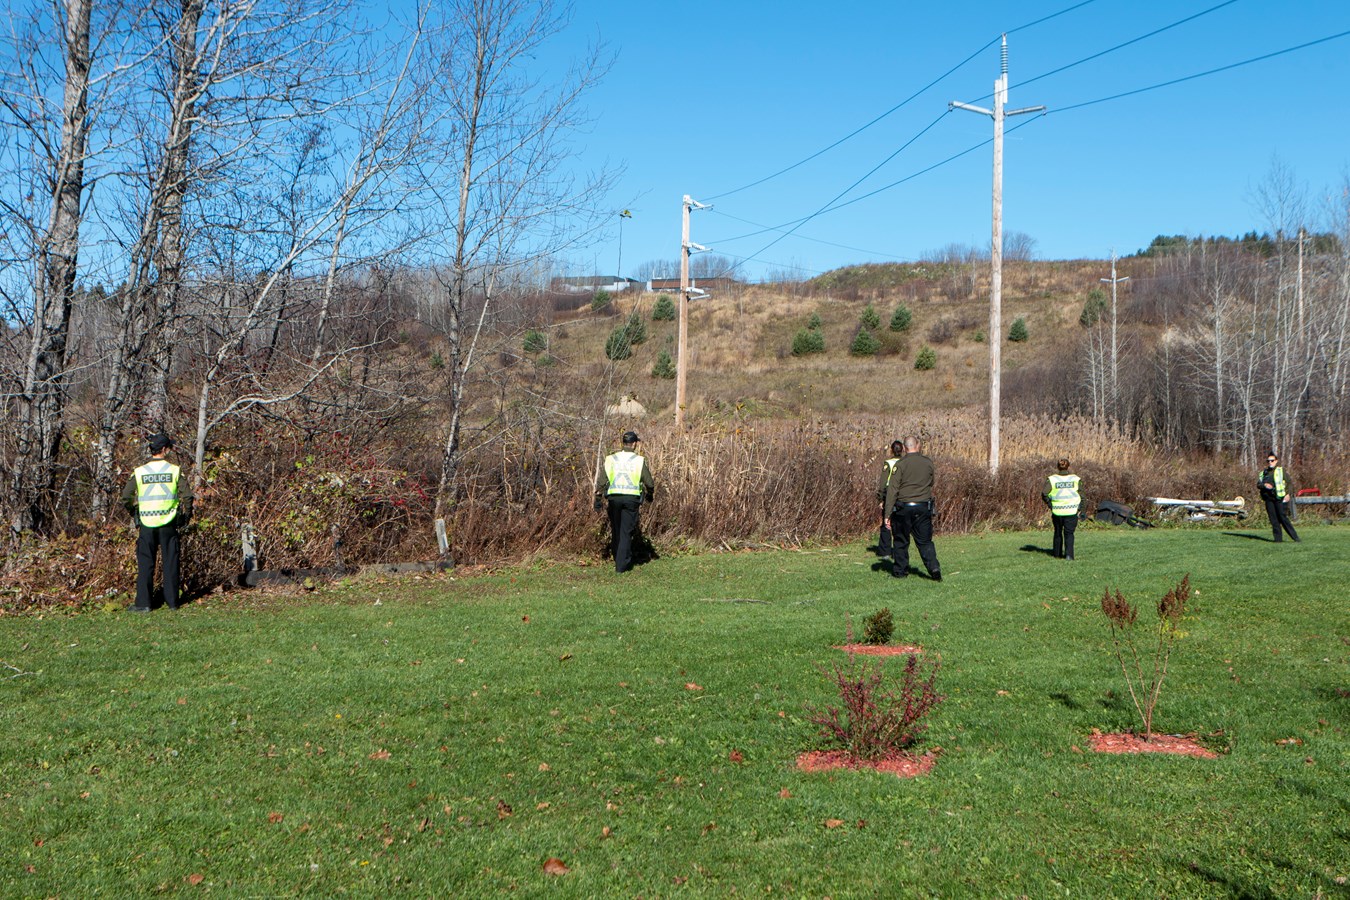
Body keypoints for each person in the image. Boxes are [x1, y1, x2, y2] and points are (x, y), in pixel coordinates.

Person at [121, 433, 193, 611]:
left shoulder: (140, 472)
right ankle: (173, 602)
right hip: (168, 522)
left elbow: (125, 496)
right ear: (164, 449)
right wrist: (186, 516)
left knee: (146, 563)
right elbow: (187, 496)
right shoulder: (174, 470)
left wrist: (134, 512)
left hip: (146, 523)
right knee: (170, 562)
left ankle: (144, 603)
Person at [594, 431, 655, 573]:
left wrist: (597, 499)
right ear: (634, 444)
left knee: (616, 529)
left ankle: (618, 557)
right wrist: (650, 495)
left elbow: (601, 481)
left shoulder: (611, 459)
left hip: (614, 498)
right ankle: (622, 565)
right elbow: (649, 483)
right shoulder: (639, 460)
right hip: (631, 499)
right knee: (626, 531)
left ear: (623, 443)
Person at [883, 435, 941, 581]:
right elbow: (931, 482)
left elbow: (892, 490)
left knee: (901, 541)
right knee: (925, 541)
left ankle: (900, 572)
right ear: (918, 445)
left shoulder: (900, 464)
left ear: (904, 448)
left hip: (903, 508)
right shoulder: (927, 463)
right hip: (923, 506)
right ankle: (934, 568)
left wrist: (887, 514)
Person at [1043, 457, 1082, 560]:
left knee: (1058, 532)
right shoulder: (1075, 479)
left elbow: (1044, 493)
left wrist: (1050, 504)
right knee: (1069, 534)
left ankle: (1057, 554)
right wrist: (1082, 509)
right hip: (1071, 511)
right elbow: (1082, 496)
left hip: (1057, 511)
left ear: (1057, 467)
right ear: (1068, 466)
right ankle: (1069, 555)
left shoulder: (1052, 479)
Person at [1258, 451, 1300, 543]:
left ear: (1276, 461)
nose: (1270, 462)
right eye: (1268, 461)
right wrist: (1264, 485)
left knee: (1282, 517)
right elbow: (1259, 484)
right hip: (1268, 498)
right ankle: (1278, 539)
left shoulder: (1281, 471)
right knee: (1273, 519)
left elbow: (1289, 483)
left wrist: (1288, 494)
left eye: (1272, 460)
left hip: (1279, 498)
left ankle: (1295, 537)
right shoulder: (1264, 473)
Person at [875, 440, 904, 558]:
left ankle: (885, 550)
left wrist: (880, 498)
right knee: (900, 523)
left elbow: (883, 482)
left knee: (886, 521)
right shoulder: (905, 462)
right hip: (902, 494)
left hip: (889, 494)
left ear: (891, 450)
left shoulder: (888, 463)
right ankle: (899, 550)